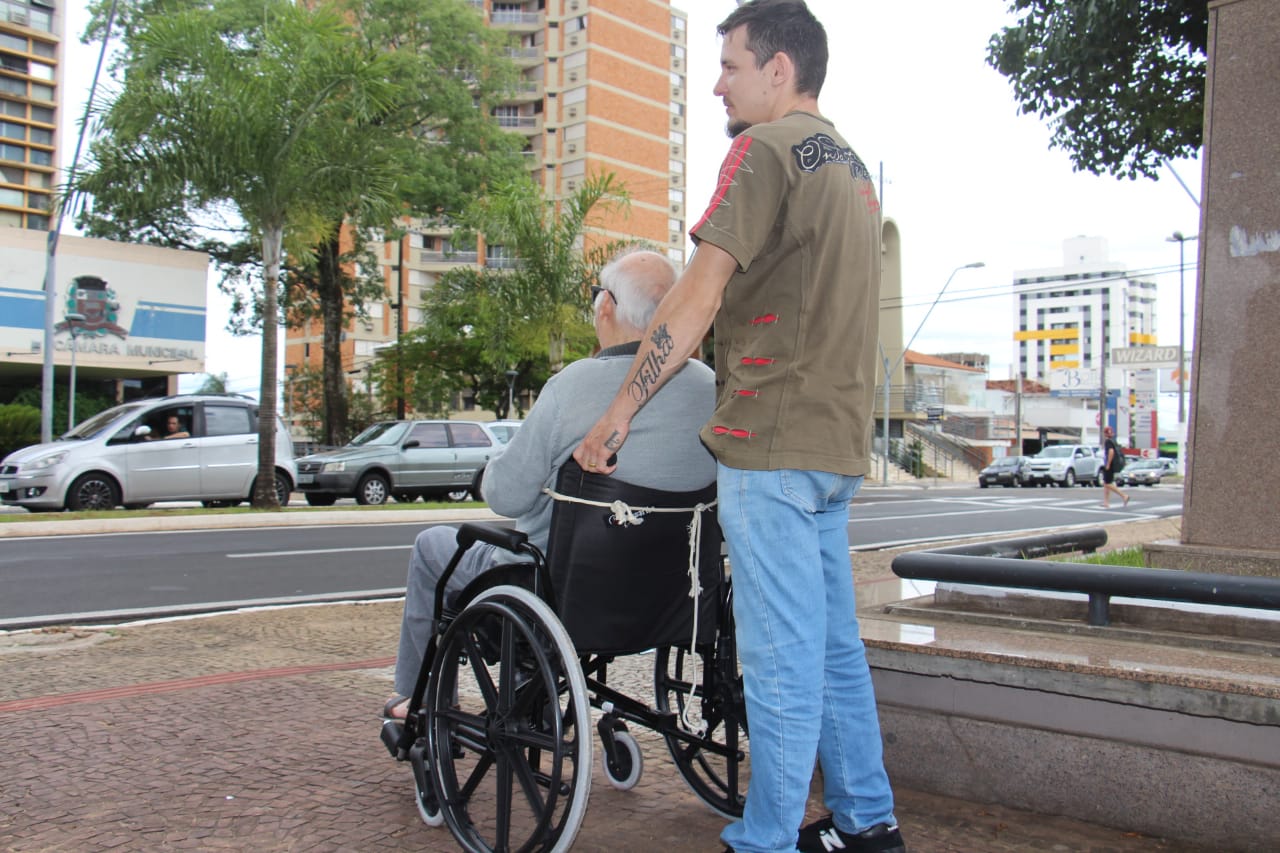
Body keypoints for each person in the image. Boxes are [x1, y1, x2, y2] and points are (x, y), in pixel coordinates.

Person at [572, 3, 904, 851]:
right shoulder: (855, 170)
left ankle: (765, 840)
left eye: (731, 65)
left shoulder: (762, 150)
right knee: (832, 649)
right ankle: (869, 823)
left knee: (782, 659)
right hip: (833, 447)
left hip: (771, 444)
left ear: (781, 69)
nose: (719, 82)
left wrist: (616, 414)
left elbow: (695, 296)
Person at [384, 247, 717, 720]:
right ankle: (526, 681)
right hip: (675, 593)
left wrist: (495, 467)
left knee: (431, 547)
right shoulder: (710, 388)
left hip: (562, 588)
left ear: (606, 307)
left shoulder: (575, 385)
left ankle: (409, 699)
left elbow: (507, 496)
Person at [1101, 426, 1130, 508]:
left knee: (1107, 484)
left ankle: (1124, 496)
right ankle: (1106, 502)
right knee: (1107, 483)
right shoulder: (1114, 441)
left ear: (1105, 434)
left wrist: (1108, 464)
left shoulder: (1108, 442)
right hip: (1114, 464)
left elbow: (1111, 452)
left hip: (1110, 464)